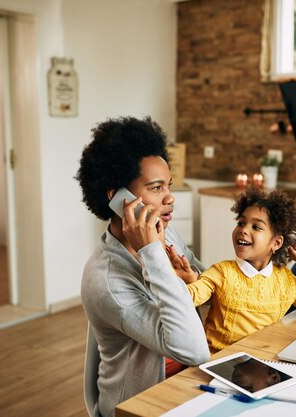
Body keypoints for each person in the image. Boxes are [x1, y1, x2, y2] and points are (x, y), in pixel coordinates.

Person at [75, 116, 209, 417]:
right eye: (156, 187)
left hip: (188, 385)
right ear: (118, 198)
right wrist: (152, 253)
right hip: (139, 407)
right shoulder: (106, 279)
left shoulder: (166, 233)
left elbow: (217, 287)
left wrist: (194, 278)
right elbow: (191, 349)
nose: (170, 198)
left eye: (168, 186)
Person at [180, 186, 296, 353]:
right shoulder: (221, 272)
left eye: (256, 227)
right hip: (218, 362)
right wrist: (178, 279)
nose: (243, 229)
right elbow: (188, 298)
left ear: (276, 243)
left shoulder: (286, 281)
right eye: (241, 223)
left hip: (262, 363)